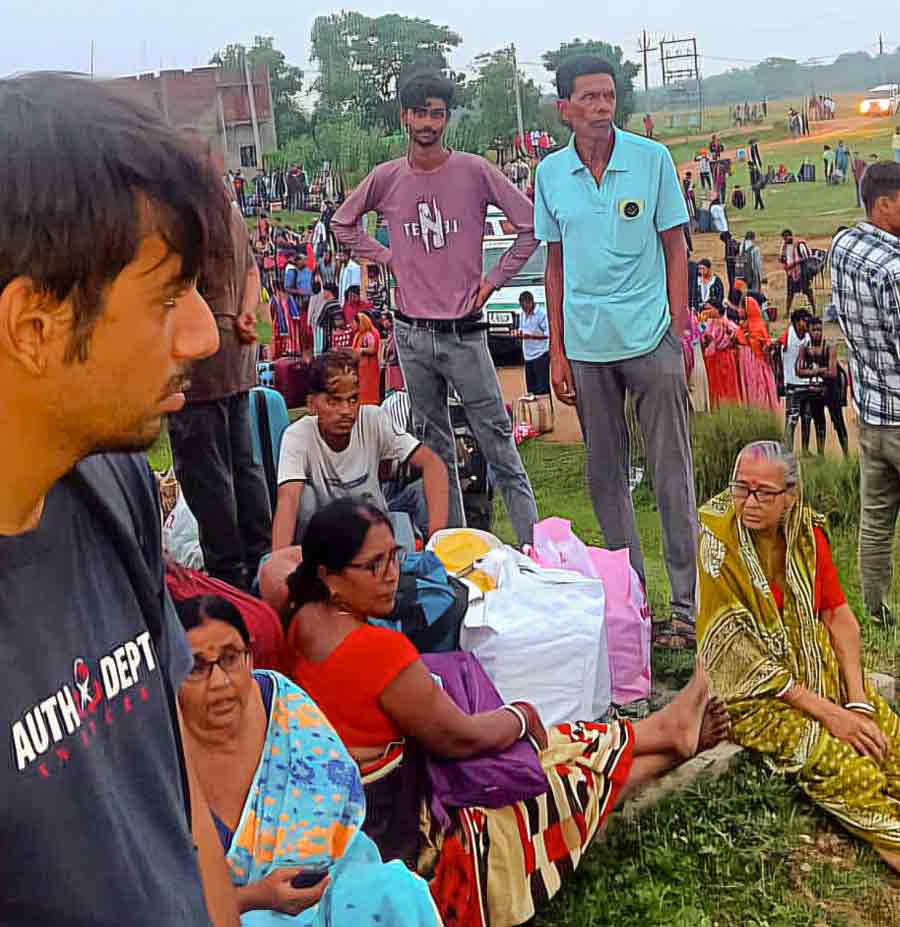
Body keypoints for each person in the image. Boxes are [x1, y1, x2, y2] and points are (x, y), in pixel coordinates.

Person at [0, 72, 240, 926]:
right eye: (168, 298)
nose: (205, 335)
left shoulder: (112, 483)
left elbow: (171, 803)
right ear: (35, 328)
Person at [282, 500, 729, 926]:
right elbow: (461, 738)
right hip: (412, 839)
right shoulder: (376, 650)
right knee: (555, 779)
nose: (392, 575)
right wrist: (520, 715)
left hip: (367, 818)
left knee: (559, 741)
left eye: (395, 556)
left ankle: (668, 731)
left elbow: (275, 566)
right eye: (374, 565)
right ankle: (673, 745)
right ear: (330, 577)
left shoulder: (301, 619)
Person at [332, 71, 540, 547]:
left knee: (499, 445)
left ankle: (535, 553)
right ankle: (460, 552)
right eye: (419, 112)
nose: (428, 122)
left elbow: (529, 226)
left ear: (446, 118)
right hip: (411, 334)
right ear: (404, 116)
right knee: (436, 450)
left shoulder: (474, 170)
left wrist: (492, 282)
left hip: (464, 333)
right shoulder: (387, 178)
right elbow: (343, 223)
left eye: (437, 113)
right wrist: (387, 258)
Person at [534, 56, 697, 648]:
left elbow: (676, 248)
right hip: (586, 344)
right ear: (566, 109)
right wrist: (556, 350)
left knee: (671, 470)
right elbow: (553, 267)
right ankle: (633, 604)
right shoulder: (550, 175)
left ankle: (686, 608)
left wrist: (677, 334)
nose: (602, 106)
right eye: (590, 98)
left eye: (609, 95)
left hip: (650, 336)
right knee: (606, 476)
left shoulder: (651, 161)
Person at [174, 594, 441, 926]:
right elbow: (163, 896)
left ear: (249, 657)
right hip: (229, 915)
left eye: (230, 658)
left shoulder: (286, 710)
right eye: (196, 667)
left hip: (332, 890)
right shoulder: (160, 755)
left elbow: (336, 838)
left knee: (398, 891)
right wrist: (255, 897)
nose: (220, 683)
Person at [698, 441, 900, 872]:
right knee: (849, 767)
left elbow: (838, 615)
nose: (749, 503)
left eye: (763, 493)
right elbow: (740, 660)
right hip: (753, 698)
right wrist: (831, 715)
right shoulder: (717, 542)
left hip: (814, 675)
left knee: (888, 740)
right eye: (741, 488)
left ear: (791, 494)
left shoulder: (806, 532)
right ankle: (891, 843)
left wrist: (857, 700)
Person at [271, 351, 447, 551]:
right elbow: (288, 498)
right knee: (306, 499)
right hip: (326, 537)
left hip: (374, 526)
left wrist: (436, 540)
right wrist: (279, 559)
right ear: (312, 404)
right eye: (334, 401)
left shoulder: (373, 418)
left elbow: (433, 464)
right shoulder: (297, 435)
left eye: (353, 400)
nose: (346, 410)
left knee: (422, 489)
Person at [831, 161, 900, 627]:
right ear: (884, 204)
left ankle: (876, 614)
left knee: (875, 523)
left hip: (872, 412)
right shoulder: (893, 270)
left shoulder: (843, 244)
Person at [798, 316, 849, 456]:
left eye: (819, 330)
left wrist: (812, 372)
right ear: (808, 331)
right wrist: (819, 371)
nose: (817, 333)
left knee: (838, 422)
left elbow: (832, 373)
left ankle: (846, 454)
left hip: (832, 389)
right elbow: (798, 371)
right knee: (819, 422)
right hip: (816, 391)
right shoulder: (805, 348)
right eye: (814, 330)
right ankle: (821, 454)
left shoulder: (829, 347)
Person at [733, 282, 778, 412]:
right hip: (746, 364)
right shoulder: (743, 326)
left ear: (748, 309)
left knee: (758, 389)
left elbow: (765, 345)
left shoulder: (757, 326)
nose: (739, 310)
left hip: (756, 365)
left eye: (742, 308)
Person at [780, 308, 813, 453]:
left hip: (806, 384)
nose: (807, 324)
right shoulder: (788, 335)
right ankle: (788, 450)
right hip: (792, 384)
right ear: (796, 322)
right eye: (804, 321)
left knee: (807, 418)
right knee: (792, 419)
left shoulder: (808, 337)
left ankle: (805, 450)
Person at [701, 305, 741, 409]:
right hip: (712, 358)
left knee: (726, 384)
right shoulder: (709, 322)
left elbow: (733, 338)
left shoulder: (728, 324)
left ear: (717, 310)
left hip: (724, 358)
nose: (707, 311)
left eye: (709, 309)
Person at [515, 290, 551, 396]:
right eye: (522, 306)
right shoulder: (522, 314)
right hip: (528, 355)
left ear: (531, 302)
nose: (524, 309)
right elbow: (522, 330)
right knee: (531, 389)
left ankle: (547, 410)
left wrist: (531, 336)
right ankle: (535, 411)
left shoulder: (542, 314)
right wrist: (518, 334)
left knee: (542, 387)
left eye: (525, 306)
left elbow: (548, 334)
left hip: (541, 354)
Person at [780, 229, 815, 313]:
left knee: (808, 292)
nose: (785, 240)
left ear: (790, 236)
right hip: (791, 273)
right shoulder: (785, 246)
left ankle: (814, 310)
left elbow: (807, 256)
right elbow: (784, 257)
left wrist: (794, 263)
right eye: (784, 238)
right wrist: (782, 260)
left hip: (802, 272)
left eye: (786, 238)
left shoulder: (799, 244)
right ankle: (787, 311)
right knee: (790, 293)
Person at [352, 311, 381, 405]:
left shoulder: (369, 334)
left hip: (369, 367)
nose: (352, 325)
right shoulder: (359, 334)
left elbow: (372, 349)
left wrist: (361, 350)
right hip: (361, 367)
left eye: (354, 323)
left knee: (368, 388)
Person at [381, 313, 405, 392]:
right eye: (382, 320)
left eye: (385, 319)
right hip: (389, 368)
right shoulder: (389, 335)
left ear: (391, 321)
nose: (383, 322)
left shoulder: (397, 334)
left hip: (397, 368)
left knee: (397, 391)